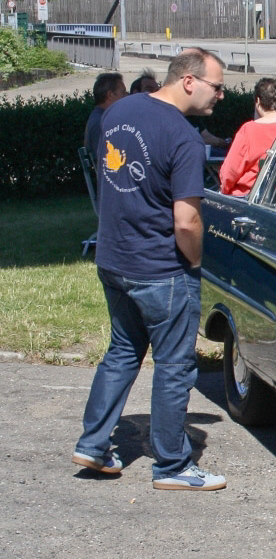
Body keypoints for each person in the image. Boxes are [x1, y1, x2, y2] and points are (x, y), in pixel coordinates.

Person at [72, 47, 228, 491]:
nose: (221, 95)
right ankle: (173, 465)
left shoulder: (117, 112)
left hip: (114, 258)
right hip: (161, 267)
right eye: (217, 86)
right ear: (189, 81)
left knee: (122, 352)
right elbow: (186, 219)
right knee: (175, 365)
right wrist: (195, 260)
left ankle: (94, 442)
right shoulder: (183, 136)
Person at [219, 77, 276, 197]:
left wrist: (224, 190)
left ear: (257, 101)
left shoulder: (249, 130)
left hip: (252, 198)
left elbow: (229, 174)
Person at [84, 73, 126, 160]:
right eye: (123, 92)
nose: (126, 96)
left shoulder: (100, 118)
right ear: (110, 95)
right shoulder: (102, 123)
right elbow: (106, 162)